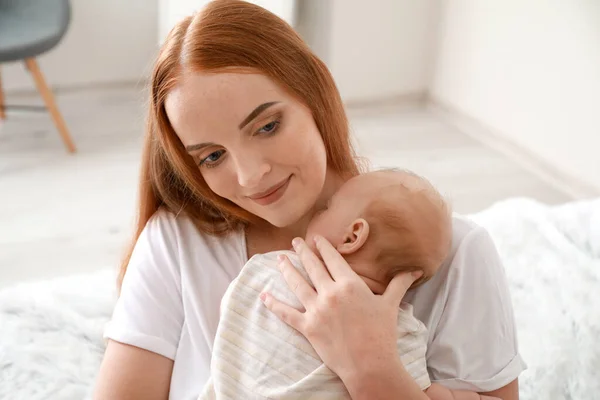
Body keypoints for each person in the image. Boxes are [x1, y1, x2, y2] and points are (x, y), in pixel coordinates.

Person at [93, 1, 526, 399]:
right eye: (212, 155)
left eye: (266, 126)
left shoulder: (452, 253)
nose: (250, 176)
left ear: (314, 95)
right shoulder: (178, 243)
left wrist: (371, 368)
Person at [199, 169, 500, 400]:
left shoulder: (270, 270)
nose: (318, 211)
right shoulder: (401, 332)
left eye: (328, 208)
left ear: (352, 237)